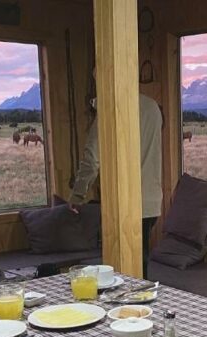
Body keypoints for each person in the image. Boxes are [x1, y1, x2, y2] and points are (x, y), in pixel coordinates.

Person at [69, 69, 163, 278]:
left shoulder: (111, 110)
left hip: (124, 203)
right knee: (140, 260)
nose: (96, 83)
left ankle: (129, 307)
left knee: (120, 268)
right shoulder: (152, 107)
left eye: (97, 78)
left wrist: (77, 195)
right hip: (151, 201)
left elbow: (92, 159)